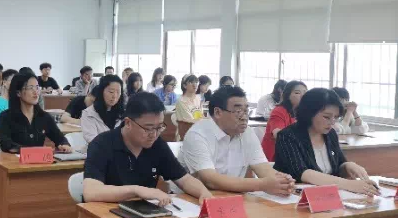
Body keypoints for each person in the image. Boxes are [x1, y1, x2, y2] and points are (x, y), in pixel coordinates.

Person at [83, 92, 212, 205]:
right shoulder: (102, 144)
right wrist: (136, 190)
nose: (154, 134)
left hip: (145, 214)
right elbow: (91, 192)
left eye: (159, 127)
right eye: (148, 128)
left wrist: (203, 192)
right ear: (128, 123)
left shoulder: (157, 145)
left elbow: (184, 179)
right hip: (105, 214)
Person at [180, 86, 295, 196]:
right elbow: (210, 180)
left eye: (246, 111)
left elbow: (263, 167)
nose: (244, 117)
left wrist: (282, 182)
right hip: (195, 198)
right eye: (238, 111)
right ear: (218, 112)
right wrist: (263, 184)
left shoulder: (247, 132)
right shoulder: (198, 134)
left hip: (233, 196)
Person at [274, 88, 379, 197]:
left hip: (329, 196)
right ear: (309, 113)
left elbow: (338, 165)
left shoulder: (330, 134)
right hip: (294, 198)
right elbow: (303, 173)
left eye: (336, 117)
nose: (332, 122)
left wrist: (348, 166)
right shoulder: (288, 136)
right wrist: (349, 184)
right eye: (327, 117)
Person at [0, 73, 72, 153]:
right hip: (14, 160)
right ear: (18, 92)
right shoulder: (6, 117)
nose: (35, 92)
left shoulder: (44, 117)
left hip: (39, 160)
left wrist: (64, 145)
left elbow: (60, 138)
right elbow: (6, 145)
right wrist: (34, 151)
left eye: (37, 87)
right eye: (30, 88)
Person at [261, 81, 307, 163]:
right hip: (275, 156)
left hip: (293, 153)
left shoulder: (302, 113)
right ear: (287, 95)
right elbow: (278, 135)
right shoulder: (279, 111)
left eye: (305, 93)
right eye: (297, 93)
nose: (303, 96)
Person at [81, 75, 124, 145]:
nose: (114, 96)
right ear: (101, 92)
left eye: (118, 92)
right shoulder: (88, 113)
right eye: (111, 92)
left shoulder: (123, 113)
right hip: (98, 151)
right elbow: (92, 140)